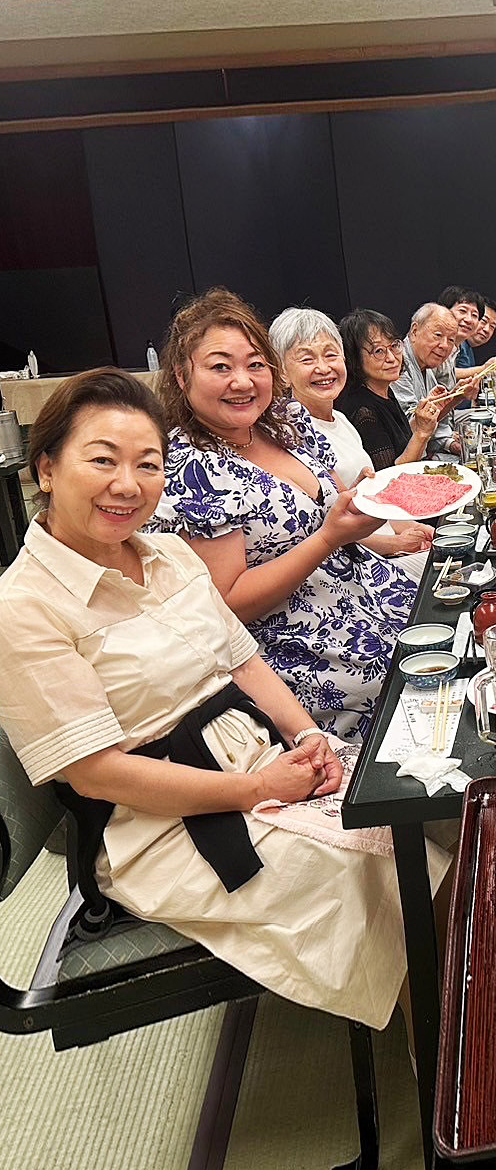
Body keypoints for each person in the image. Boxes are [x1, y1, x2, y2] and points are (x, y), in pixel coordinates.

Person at [0, 368, 447, 1030]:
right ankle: (452, 1076)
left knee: (426, 808)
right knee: (384, 875)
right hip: (159, 821)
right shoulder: (24, 605)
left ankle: (464, 1018)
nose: (128, 484)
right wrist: (253, 791)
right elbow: (94, 773)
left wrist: (308, 737)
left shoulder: (167, 556)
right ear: (46, 468)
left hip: (260, 754)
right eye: (102, 460)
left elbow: (244, 661)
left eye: (147, 464)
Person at [157, 289, 417, 740]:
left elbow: (332, 505)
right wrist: (328, 539)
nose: (242, 381)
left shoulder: (284, 420)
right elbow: (228, 603)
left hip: (376, 594)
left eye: (255, 364)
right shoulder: (193, 467)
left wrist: (361, 503)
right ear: (182, 377)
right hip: (312, 652)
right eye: (221, 366)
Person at [268, 306, 433, 574]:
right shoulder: (296, 434)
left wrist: (412, 527)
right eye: (307, 359)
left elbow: (370, 502)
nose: (323, 368)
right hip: (362, 564)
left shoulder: (341, 420)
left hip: (386, 542)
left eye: (331, 355)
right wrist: (397, 543)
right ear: (282, 371)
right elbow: (335, 531)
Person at [337, 308, 449, 471]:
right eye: (379, 351)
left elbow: (401, 440)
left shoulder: (384, 390)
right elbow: (389, 475)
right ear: (355, 358)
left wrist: (422, 418)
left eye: (394, 346)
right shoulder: (363, 410)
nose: (391, 358)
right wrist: (422, 433)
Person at [392, 302, 462, 453]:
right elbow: (409, 429)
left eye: (451, 340)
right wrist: (455, 399)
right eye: (438, 335)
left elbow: (433, 427)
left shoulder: (427, 367)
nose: (444, 345)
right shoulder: (397, 363)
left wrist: (451, 444)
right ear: (415, 331)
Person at [438, 285, 486, 370]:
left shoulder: (457, 348)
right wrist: (484, 368)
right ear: (444, 310)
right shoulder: (433, 342)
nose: (469, 319)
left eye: (474, 315)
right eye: (462, 311)